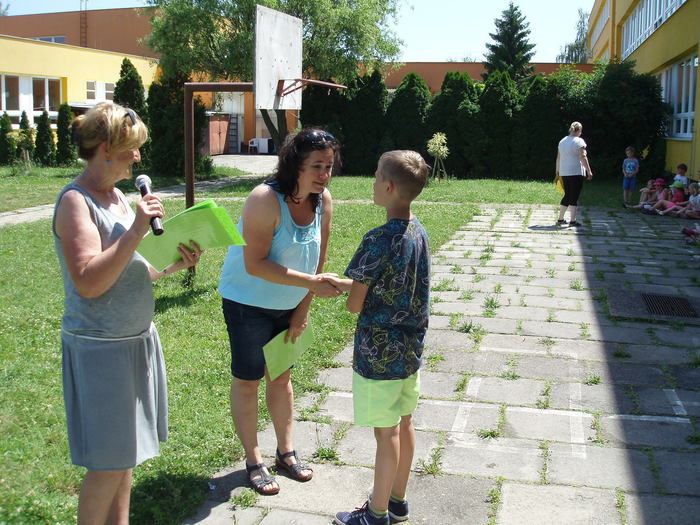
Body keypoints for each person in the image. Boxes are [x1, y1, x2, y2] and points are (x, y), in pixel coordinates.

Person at [53, 102, 203, 524]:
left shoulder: (118, 196)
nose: (137, 156)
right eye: (130, 148)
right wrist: (137, 229)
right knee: (107, 466)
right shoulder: (75, 202)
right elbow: (89, 281)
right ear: (104, 149)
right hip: (102, 350)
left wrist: (173, 265)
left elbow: (128, 269)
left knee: (125, 459)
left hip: (135, 342)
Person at [219, 128, 345, 495]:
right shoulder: (264, 199)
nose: (324, 174)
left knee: (281, 378)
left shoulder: (324, 201)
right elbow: (255, 263)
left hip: (288, 306)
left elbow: (318, 260)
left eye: (329, 166)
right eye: (317, 166)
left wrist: (302, 309)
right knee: (248, 380)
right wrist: (311, 284)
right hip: (247, 304)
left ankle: (285, 452)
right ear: (295, 164)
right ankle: (253, 460)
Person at [334, 150, 431, 525]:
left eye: (376, 176)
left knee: (386, 433)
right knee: (405, 423)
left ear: (388, 187)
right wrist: (350, 283)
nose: (372, 182)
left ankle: (376, 514)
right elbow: (399, 283)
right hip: (410, 350)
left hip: (379, 354)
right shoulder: (418, 231)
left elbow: (355, 304)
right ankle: (397, 501)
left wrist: (347, 289)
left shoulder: (377, 239)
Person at [555, 121, 593, 227]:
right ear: (579, 130)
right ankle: (572, 220)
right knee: (574, 196)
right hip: (576, 172)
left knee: (567, 194)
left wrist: (557, 171)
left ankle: (560, 219)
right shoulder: (579, 141)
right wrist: (589, 171)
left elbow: (558, 157)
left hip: (564, 172)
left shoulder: (562, 141)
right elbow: (583, 156)